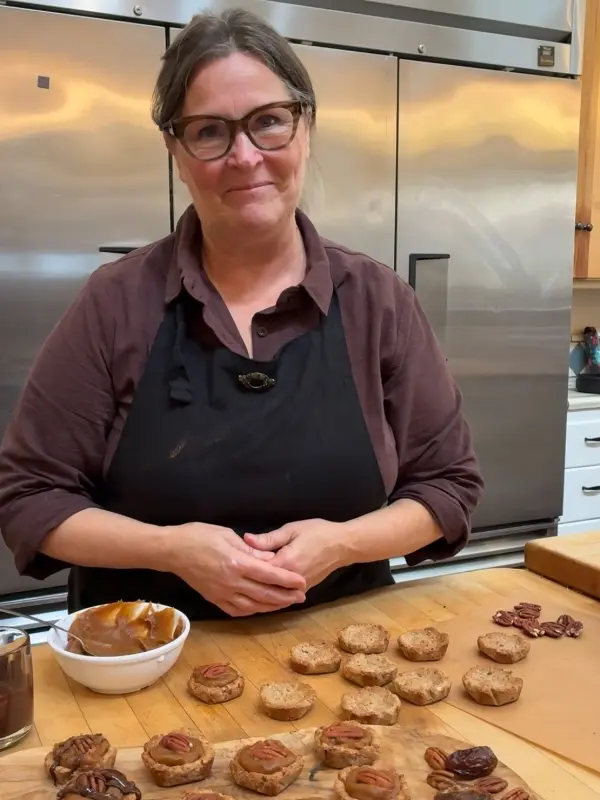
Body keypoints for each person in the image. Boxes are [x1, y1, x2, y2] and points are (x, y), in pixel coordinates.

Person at [0, 8, 483, 620]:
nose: (245, 156)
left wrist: (344, 543)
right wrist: (171, 550)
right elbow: (29, 497)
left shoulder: (378, 300)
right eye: (209, 132)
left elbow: (448, 485)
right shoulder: (115, 303)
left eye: (269, 122)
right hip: (146, 674)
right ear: (176, 151)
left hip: (351, 669)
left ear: (305, 128)